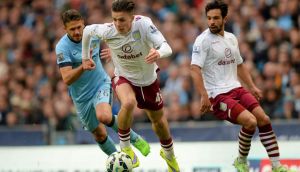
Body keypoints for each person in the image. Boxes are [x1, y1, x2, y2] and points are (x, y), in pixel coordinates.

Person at [190, 1, 293, 172]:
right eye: (209, 18)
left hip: (236, 88)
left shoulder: (231, 38)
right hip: (218, 95)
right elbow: (194, 69)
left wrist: (252, 86)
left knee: (264, 119)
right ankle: (241, 161)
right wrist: (203, 95)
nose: (212, 22)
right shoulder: (202, 41)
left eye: (216, 18)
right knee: (250, 122)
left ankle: (276, 166)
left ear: (225, 19)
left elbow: (239, 65)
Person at [81, 0, 180, 171]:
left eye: (122, 20)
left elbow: (167, 47)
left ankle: (169, 155)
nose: (117, 24)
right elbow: (87, 31)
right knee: (128, 103)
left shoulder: (143, 25)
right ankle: (126, 148)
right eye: (115, 19)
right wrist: (85, 57)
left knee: (159, 123)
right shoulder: (108, 30)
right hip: (124, 77)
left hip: (148, 80)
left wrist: (158, 52)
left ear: (132, 18)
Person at [55, 9, 150, 157]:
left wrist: (114, 51)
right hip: (81, 97)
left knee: (104, 116)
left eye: (79, 27)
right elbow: (67, 78)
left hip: (100, 84)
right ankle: (120, 160)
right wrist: (82, 66)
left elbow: (119, 34)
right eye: (72, 29)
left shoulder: (93, 32)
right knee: (99, 135)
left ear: (83, 24)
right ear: (64, 29)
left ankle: (135, 139)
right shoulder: (62, 47)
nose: (77, 32)